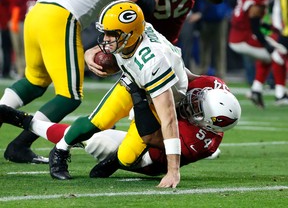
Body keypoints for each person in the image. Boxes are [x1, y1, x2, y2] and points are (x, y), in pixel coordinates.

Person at [0, 0, 160, 164]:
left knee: (34, 82)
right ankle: (20, 144)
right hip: (60, 16)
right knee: (70, 96)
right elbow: (137, 7)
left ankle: (17, 141)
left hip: (37, 12)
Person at [0, 75, 241, 182]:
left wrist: (139, 99)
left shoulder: (202, 141)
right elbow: (188, 76)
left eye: (197, 109)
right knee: (92, 129)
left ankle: (20, 119)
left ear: (206, 124)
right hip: (157, 128)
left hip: (149, 157)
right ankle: (21, 120)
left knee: (97, 141)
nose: (191, 101)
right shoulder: (213, 86)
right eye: (197, 97)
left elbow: (151, 134)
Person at [228, 0, 288, 108]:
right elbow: (254, 25)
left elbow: (252, 22)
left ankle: (256, 89)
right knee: (278, 54)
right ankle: (280, 95)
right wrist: (267, 46)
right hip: (243, 39)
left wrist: (269, 27)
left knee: (268, 58)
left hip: (238, 36)